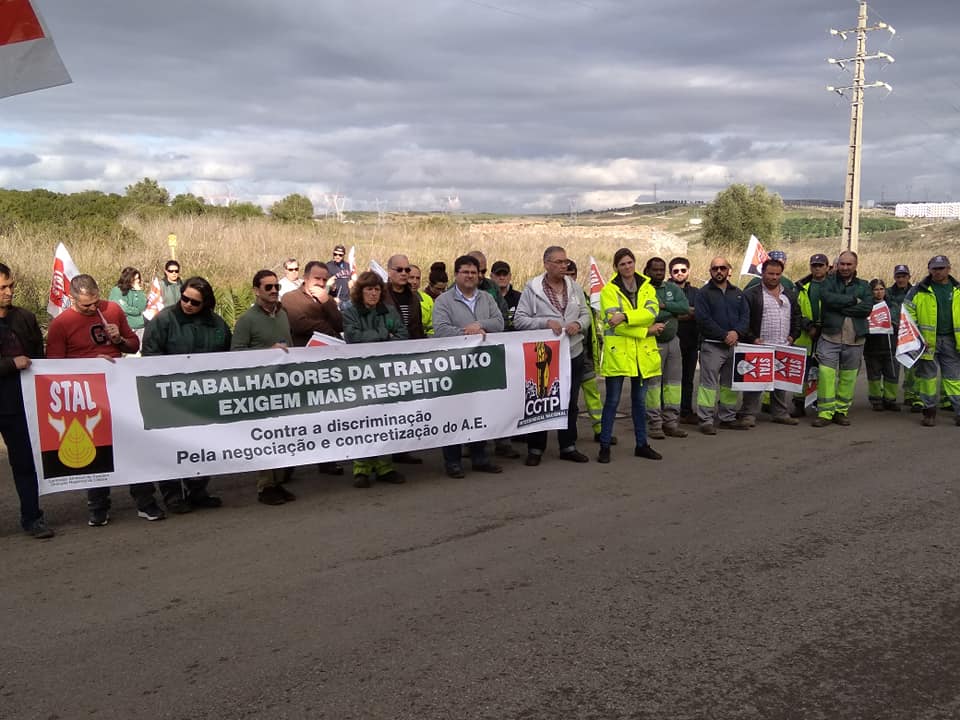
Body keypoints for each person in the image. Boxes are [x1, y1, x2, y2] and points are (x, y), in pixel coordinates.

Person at [46, 274, 150, 526]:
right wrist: (89, 365)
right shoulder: (61, 324)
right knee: (97, 449)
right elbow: (54, 368)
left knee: (133, 441)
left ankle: (145, 500)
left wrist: (120, 340)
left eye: (95, 302)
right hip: (87, 394)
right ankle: (98, 505)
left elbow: (133, 345)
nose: (93, 308)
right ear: (72, 299)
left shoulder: (112, 309)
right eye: (86, 305)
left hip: (117, 385)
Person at [141, 276, 231, 512]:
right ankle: (172, 495)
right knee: (172, 446)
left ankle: (198, 490)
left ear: (206, 303)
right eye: (185, 298)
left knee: (205, 443)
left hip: (205, 396)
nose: (188, 304)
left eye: (195, 302)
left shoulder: (218, 325)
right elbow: (149, 356)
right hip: (171, 396)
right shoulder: (164, 320)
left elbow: (228, 358)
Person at [513, 246, 591, 466]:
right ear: (546, 263)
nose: (563, 266)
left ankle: (568, 445)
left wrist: (578, 323)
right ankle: (536, 448)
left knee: (571, 402)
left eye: (565, 261)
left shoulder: (574, 287)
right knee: (541, 400)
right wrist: (544, 323)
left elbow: (586, 314)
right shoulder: (533, 288)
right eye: (558, 262)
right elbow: (519, 320)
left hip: (573, 352)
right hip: (544, 355)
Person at [432, 255, 504, 478]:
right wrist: (469, 333)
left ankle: (480, 456)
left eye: (474, 272)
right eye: (465, 272)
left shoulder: (486, 298)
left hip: (482, 366)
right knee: (453, 414)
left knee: (480, 410)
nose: (471, 276)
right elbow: (441, 329)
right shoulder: (443, 301)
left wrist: (479, 325)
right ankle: (452, 461)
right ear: (456, 274)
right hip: (455, 367)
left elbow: (499, 323)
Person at [231, 270, 296, 505]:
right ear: (256, 291)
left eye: (276, 286)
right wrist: (266, 353)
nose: (274, 291)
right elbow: (236, 353)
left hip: (284, 384)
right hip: (261, 386)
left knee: (282, 434)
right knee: (267, 437)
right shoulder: (247, 320)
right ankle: (265, 486)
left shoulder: (283, 314)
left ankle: (278, 482)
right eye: (268, 287)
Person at [0, 263, 54, 538]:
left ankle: (32, 517)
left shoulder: (25, 318)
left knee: (24, 463)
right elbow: (18, 362)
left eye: (10, 286)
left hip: (18, 405)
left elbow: (39, 359)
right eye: (2, 288)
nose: (8, 292)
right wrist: (11, 363)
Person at [342, 271, 410, 487]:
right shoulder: (350, 312)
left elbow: (402, 335)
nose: (373, 293)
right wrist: (384, 334)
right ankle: (361, 468)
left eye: (377, 289)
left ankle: (384, 466)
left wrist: (379, 335)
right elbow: (354, 337)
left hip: (386, 374)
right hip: (360, 375)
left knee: (385, 419)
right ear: (360, 291)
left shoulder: (389, 310)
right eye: (369, 289)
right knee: (363, 420)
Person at [597, 248, 664, 463]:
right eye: (622, 264)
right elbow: (613, 324)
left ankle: (642, 444)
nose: (627, 267)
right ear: (616, 267)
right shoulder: (609, 291)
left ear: (635, 263)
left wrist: (625, 316)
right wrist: (645, 329)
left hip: (642, 354)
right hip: (619, 354)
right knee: (612, 402)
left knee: (639, 402)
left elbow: (651, 313)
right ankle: (605, 446)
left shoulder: (646, 287)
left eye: (630, 262)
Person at [812, 250, 872, 427]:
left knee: (848, 377)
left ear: (855, 265)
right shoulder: (828, 282)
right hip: (830, 336)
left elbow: (867, 308)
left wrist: (840, 306)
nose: (845, 267)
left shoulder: (864, 285)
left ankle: (841, 411)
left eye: (849, 264)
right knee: (826, 374)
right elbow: (828, 299)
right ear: (837, 265)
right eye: (842, 264)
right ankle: (825, 412)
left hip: (855, 338)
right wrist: (854, 300)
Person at [740, 258, 802, 426]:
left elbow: (797, 317)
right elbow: (744, 321)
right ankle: (748, 415)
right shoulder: (751, 295)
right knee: (754, 381)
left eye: (777, 274)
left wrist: (793, 336)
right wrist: (752, 338)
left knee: (780, 382)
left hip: (783, 345)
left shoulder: (789, 294)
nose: (774, 277)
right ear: (762, 273)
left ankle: (780, 413)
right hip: (759, 346)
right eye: (770, 274)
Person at [694, 256, 750, 435]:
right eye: (715, 268)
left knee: (729, 384)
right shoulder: (703, 294)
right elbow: (703, 319)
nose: (719, 271)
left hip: (733, 345)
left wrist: (736, 333)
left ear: (729, 270)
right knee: (708, 385)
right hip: (712, 346)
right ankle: (706, 420)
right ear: (710, 271)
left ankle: (727, 417)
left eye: (723, 268)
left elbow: (745, 317)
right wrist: (724, 334)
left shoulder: (738, 293)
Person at [903, 255, 960, 427]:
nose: (938, 271)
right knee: (927, 378)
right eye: (934, 268)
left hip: (952, 341)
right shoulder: (918, 290)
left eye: (941, 268)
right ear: (929, 269)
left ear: (949, 269)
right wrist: (918, 337)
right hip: (927, 342)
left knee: (954, 379)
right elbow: (907, 315)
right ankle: (929, 412)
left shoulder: (957, 289)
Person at [382, 254, 426, 464]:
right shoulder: (380, 294)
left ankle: (402, 450)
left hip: (411, 355)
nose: (404, 274)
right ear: (389, 271)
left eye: (407, 270)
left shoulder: (414, 296)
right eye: (399, 270)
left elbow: (416, 327)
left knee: (405, 405)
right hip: (387, 357)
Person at [565, 260, 613, 445]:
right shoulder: (558, 295)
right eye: (566, 273)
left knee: (593, 393)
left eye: (572, 273)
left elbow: (593, 324)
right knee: (570, 398)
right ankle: (569, 435)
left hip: (585, 353)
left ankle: (600, 430)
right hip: (567, 353)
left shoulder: (583, 295)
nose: (569, 277)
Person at [643, 257, 690, 439]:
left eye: (662, 269)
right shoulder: (643, 290)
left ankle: (671, 422)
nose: (659, 273)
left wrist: (664, 305)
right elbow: (648, 315)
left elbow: (685, 307)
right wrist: (671, 311)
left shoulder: (672, 288)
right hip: (652, 343)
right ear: (647, 270)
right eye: (655, 269)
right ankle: (655, 424)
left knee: (673, 384)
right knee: (653, 386)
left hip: (673, 342)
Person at [790, 254, 829, 417]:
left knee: (825, 372)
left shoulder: (834, 285)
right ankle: (799, 404)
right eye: (814, 265)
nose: (817, 268)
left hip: (827, 335)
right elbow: (795, 310)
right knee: (800, 373)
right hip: (805, 336)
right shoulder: (800, 287)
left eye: (820, 265)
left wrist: (823, 327)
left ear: (827, 267)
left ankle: (821, 403)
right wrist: (808, 326)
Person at [282, 260, 343, 346]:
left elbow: (340, 325)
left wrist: (327, 302)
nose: (321, 283)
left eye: (324, 280)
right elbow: (299, 325)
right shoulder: (290, 297)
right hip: (305, 351)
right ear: (306, 278)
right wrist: (328, 328)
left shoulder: (328, 299)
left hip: (331, 349)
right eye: (317, 278)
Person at [668, 257, 699, 425]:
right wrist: (687, 312)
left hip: (691, 342)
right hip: (671, 341)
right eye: (676, 271)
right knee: (670, 380)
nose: (680, 273)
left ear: (689, 271)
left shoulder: (696, 292)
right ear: (670, 273)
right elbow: (664, 313)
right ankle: (668, 412)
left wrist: (676, 312)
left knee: (688, 379)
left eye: (683, 270)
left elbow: (700, 313)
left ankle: (686, 411)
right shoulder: (666, 291)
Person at [888, 264, 921, 411]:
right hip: (893, 333)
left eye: (904, 276)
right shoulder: (888, 293)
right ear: (895, 277)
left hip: (910, 335)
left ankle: (913, 396)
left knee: (912, 367)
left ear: (909, 277)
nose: (901, 279)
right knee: (892, 368)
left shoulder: (916, 292)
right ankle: (890, 398)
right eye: (898, 276)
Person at [864, 279, 900, 412]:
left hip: (890, 344)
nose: (879, 292)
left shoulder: (892, 306)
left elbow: (898, 321)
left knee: (892, 374)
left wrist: (893, 323)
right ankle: (876, 399)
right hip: (872, 346)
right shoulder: (867, 306)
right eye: (875, 290)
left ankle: (890, 399)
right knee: (874, 375)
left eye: (881, 289)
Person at [108, 267, 147, 341]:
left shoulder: (136, 290)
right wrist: (137, 311)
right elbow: (123, 309)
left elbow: (142, 307)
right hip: (127, 327)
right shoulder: (117, 291)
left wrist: (139, 291)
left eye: (138, 278)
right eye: (135, 279)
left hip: (140, 325)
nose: (137, 281)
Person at [490, 261, 522, 329]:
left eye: (505, 274)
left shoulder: (520, 298)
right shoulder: (486, 298)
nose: (502, 277)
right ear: (491, 276)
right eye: (498, 274)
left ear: (510, 276)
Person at [408, 265, 434, 336]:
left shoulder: (427, 299)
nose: (415, 282)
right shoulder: (395, 297)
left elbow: (433, 325)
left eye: (418, 278)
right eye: (411, 278)